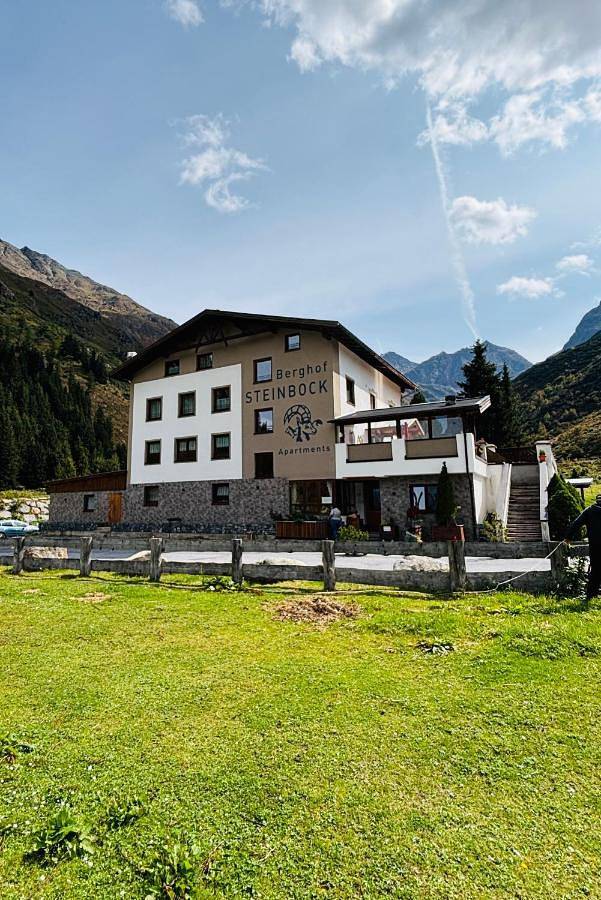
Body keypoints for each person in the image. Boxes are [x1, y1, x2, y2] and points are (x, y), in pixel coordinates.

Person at [566, 494, 601, 601]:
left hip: (595, 545)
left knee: (595, 570)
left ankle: (591, 595)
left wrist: (568, 537)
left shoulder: (589, 511)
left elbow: (576, 524)